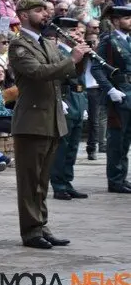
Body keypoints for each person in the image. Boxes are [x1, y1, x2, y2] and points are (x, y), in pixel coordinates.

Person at [9, 0, 88, 249]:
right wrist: (72, 59)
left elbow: (66, 73)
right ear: (23, 15)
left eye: (46, 10)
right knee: (30, 180)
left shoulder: (47, 44)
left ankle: (42, 225)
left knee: (43, 181)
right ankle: (31, 231)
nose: (46, 14)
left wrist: (82, 56)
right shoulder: (19, 45)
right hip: (31, 120)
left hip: (51, 119)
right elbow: (38, 73)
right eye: (39, 10)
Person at [47, 17, 90, 200]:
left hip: (78, 97)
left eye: (79, 31)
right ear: (62, 33)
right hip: (65, 97)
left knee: (73, 146)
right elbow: (53, 77)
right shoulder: (56, 52)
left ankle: (67, 181)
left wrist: (84, 103)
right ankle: (58, 185)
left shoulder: (78, 53)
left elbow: (82, 79)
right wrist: (58, 100)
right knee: (62, 146)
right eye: (73, 31)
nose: (78, 35)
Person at [91, 5, 131, 193]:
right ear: (116, 21)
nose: (130, 21)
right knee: (116, 139)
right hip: (119, 94)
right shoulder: (108, 40)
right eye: (127, 18)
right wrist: (110, 90)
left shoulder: (129, 40)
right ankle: (115, 180)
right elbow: (97, 68)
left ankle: (122, 176)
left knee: (126, 140)